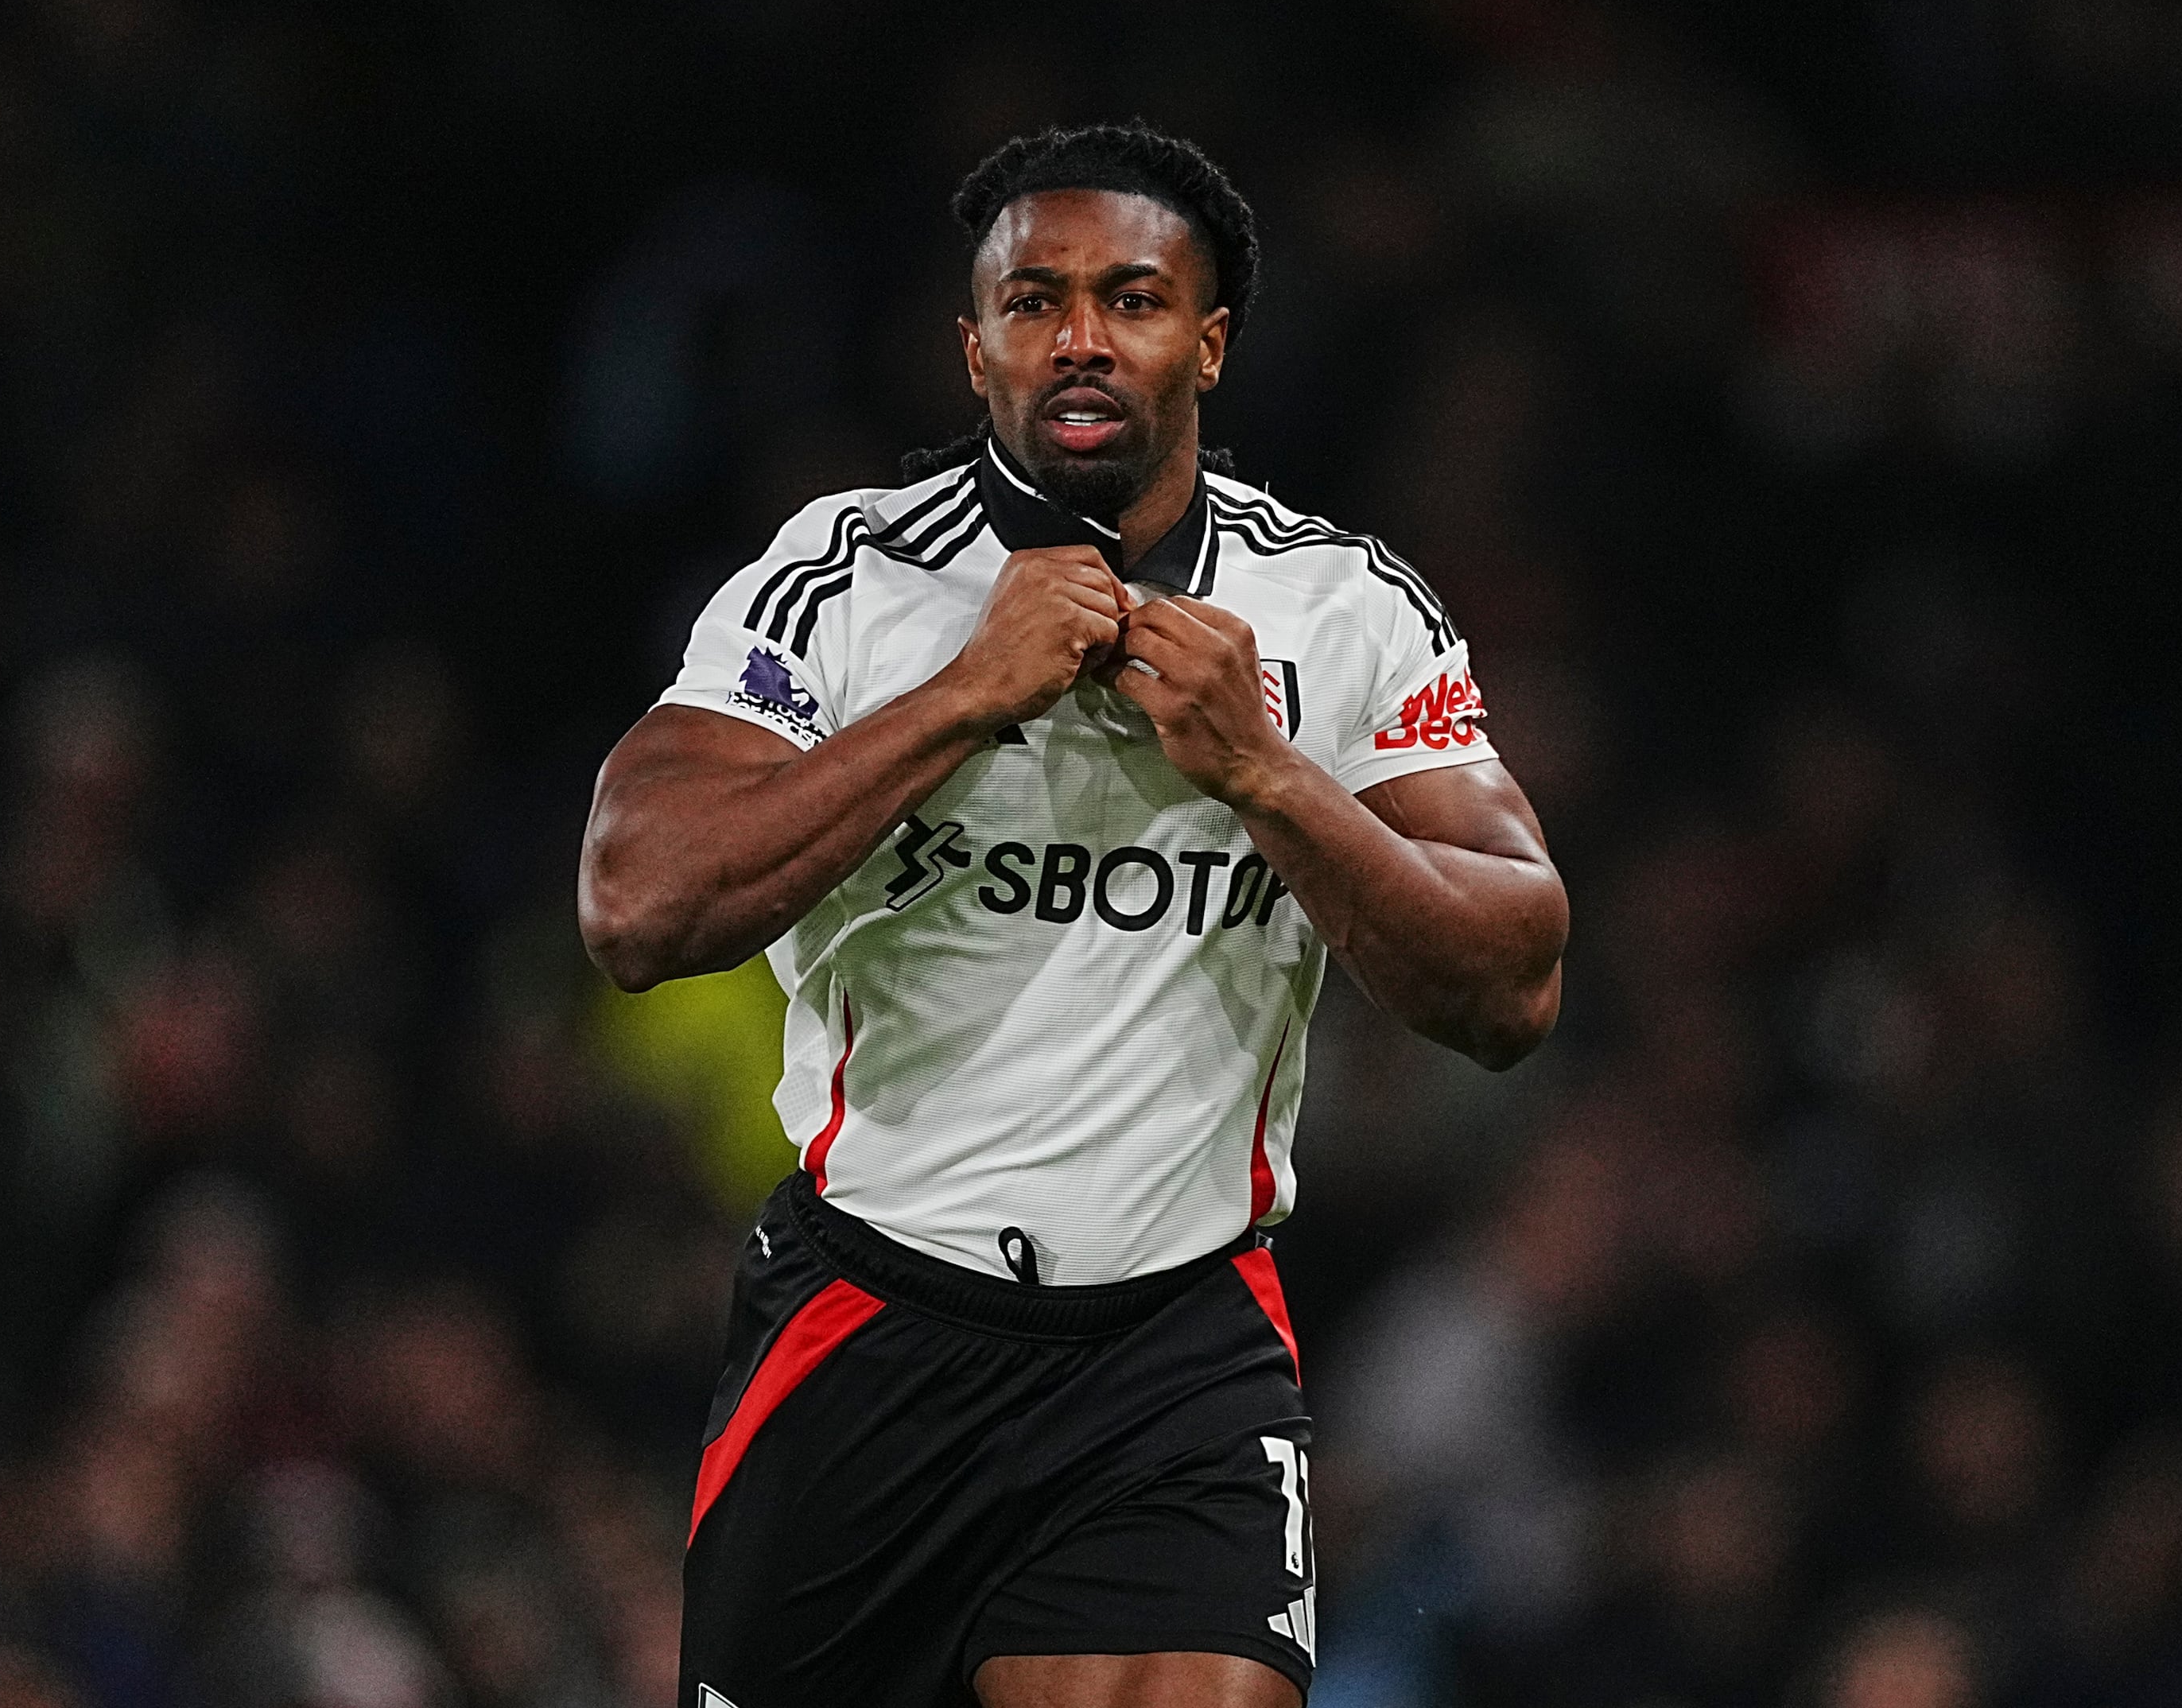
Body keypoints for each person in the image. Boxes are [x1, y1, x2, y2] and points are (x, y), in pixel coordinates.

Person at [577, 122, 1568, 1708]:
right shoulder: (840, 583)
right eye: (1034, 302)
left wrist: (1267, 774)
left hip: (1173, 1356)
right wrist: (966, 693)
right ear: (973, 350)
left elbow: (1512, 983)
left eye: (1134, 297)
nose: (1083, 338)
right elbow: (635, 905)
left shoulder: (1343, 610)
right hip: (871, 1323)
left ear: (1212, 340)